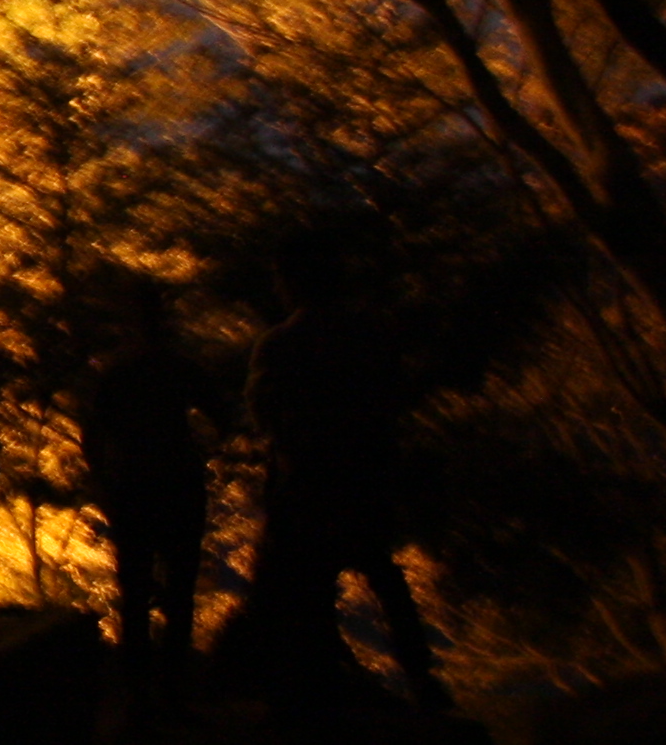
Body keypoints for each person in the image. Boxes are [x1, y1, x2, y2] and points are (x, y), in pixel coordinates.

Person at [227, 226, 452, 714]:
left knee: (309, 582)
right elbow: (392, 399)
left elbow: (265, 415)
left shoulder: (281, 344)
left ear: (293, 281)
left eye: (281, 277)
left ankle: (318, 682)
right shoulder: (370, 335)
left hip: (307, 483)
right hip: (364, 474)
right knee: (382, 575)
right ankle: (420, 678)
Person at [79, 274, 219, 704]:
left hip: (133, 487)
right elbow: (223, 415)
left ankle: (139, 697)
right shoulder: (179, 367)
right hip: (178, 483)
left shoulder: (117, 372)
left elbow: (93, 436)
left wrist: (104, 482)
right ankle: (172, 692)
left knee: (136, 596)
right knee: (178, 595)